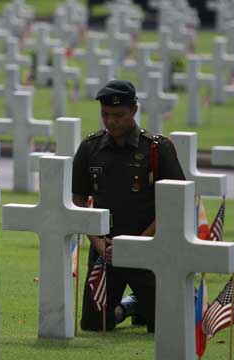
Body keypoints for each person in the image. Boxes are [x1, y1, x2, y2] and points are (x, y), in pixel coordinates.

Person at [72, 80, 185, 333]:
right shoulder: (90, 148)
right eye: (105, 115)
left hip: (149, 250)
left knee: (164, 327)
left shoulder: (157, 149)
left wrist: (141, 242)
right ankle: (129, 307)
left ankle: (139, 303)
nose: (111, 122)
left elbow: (176, 204)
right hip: (106, 251)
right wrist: (99, 244)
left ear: (134, 110)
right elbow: (78, 201)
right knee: (94, 325)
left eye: (118, 115)